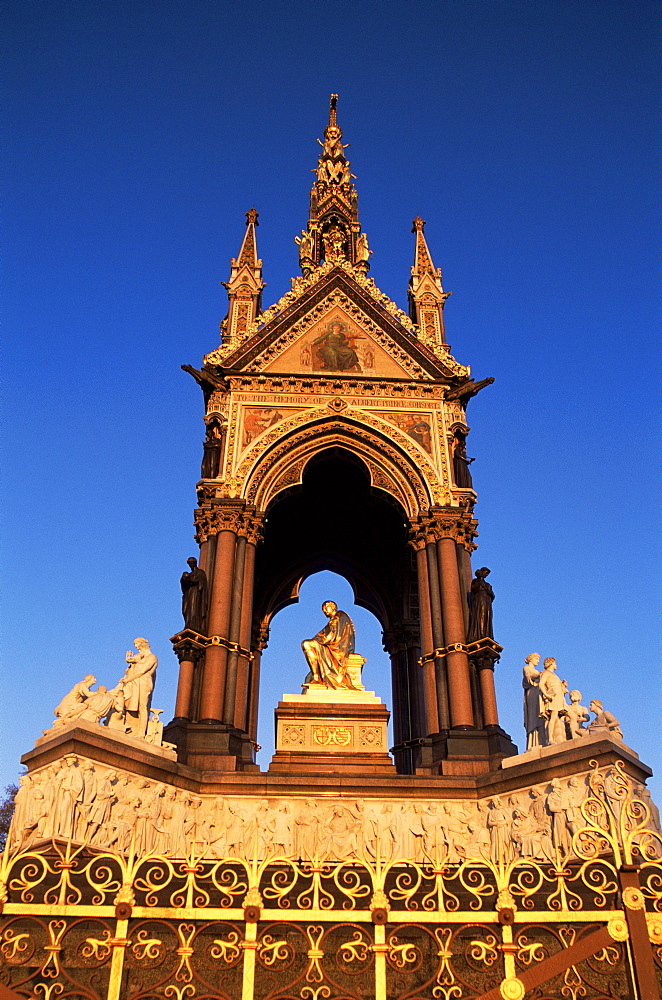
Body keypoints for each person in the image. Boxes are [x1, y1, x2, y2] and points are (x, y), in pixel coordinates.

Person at [302, 601, 357, 690]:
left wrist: (320, 640)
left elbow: (334, 636)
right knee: (307, 644)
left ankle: (317, 678)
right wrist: (319, 639)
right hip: (330, 645)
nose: (324, 610)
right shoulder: (333, 619)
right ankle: (316, 677)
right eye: (323, 609)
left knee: (306, 644)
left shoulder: (339, 616)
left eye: (326, 607)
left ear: (333, 607)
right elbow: (322, 634)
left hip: (337, 647)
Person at [119, 638, 158, 738]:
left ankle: (141, 733)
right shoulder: (141, 658)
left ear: (144, 648)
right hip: (136, 682)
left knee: (143, 707)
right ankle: (128, 726)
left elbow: (142, 671)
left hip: (144, 682)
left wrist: (128, 680)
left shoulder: (152, 657)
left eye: (139, 649)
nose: (138, 650)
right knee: (128, 702)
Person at [538, 658, 568, 745]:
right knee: (553, 717)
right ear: (550, 664)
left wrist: (563, 685)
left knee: (560, 716)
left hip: (559, 696)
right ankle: (550, 739)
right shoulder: (546, 673)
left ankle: (560, 737)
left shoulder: (553, 674)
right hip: (553, 697)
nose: (556, 665)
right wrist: (546, 695)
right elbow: (541, 684)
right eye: (555, 663)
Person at [180, 557, 208, 633]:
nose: (191, 565)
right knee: (185, 610)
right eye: (189, 564)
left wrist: (191, 580)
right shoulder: (189, 574)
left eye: (192, 563)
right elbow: (184, 586)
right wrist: (183, 580)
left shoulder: (200, 572)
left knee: (193, 609)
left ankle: (194, 626)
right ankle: (188, 625)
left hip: (195, 593)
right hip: (188, 593)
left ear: (195, 563)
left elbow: (201, 583)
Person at [522, 653, 545, 749]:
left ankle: (541, 739)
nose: (538, 661)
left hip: (538, 693)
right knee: (533, 716)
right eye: (536, 658)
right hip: (532, 694)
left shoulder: (538, 672)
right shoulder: (527, 668)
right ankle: (533, 742)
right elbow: (530, 676)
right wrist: (545, 674)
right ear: (530, 659)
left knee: (540, 715)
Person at [466, 568, 494, 642]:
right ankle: (480, 634)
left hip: (487, 601)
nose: (486, 575)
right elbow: (474, 589)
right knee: (480, 616)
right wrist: (479, 578)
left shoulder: (488, 585)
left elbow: (493, 596)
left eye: (487, 574)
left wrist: (490, 593)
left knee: (487, 617)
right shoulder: (476, 581)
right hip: (480, 599)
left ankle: (486, 634)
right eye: (486, 573)